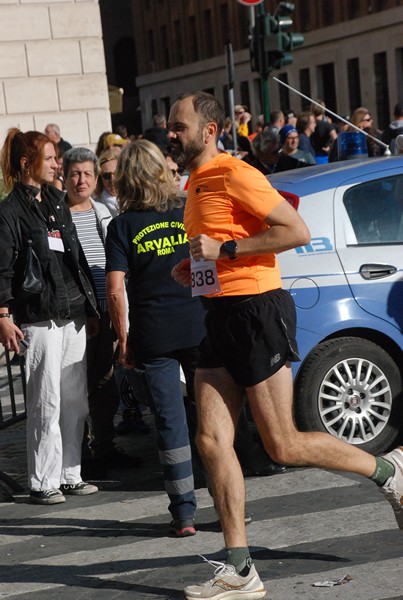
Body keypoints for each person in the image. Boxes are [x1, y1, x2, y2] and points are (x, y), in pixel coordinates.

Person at [167, 91, 403, 600]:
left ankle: (389, 470)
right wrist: (198, 269)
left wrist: (226, 249)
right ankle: (240, 569)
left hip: (257, 313)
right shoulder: (195, 182)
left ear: (208, 131)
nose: (171, 133)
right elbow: (219, 245)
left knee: (283, 443)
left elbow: (295, 230)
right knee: (211, 441)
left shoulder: (235, 173)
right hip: (219, 315)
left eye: (179, 126)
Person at [105, 139, 206, 537]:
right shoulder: (185, 210)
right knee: (211, 418)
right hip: (198, 325)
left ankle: (184, 513)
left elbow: (115, 290)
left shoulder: (121, 226)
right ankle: (229, 500)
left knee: (170, 422)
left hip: (154, 333)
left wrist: (124, 339)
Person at [0, 128, 99, 505]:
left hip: (71, 312)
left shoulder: (56, 201)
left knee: (74, 399)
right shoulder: (10, 212)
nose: (59, 163)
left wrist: (90, 307)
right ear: (27, 163)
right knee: (46, 401)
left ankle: (69, 473)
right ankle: (43, 480)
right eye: (51, 157)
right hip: (39, 317)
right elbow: (3, 269)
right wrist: (3, 314)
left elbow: (75, 258)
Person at [63, 147, 142, 477]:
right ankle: (75, 455)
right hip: (76, 316)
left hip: (106, 311)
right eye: (75, 173)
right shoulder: (56, 216)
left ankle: (103, 446)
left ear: (96, 179)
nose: (81, 180)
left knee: (105, 383)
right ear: (64, 176)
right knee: (73, 386)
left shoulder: (104, 215)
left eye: (87, 174)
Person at [93, 149, 119, 217]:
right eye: (106, 176)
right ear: (100, 179)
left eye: (116, 173)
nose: (112, 179)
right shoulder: (95, 206)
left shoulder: (135, 199)